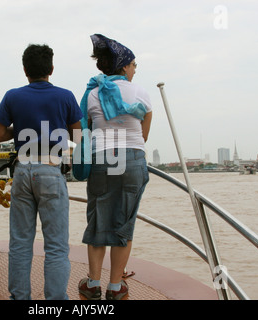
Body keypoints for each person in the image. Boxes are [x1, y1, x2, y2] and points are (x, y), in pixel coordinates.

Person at [0, 44, 82, 300]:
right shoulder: (65, 96)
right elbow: (78, 135)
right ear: (51, 69)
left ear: (25, 70)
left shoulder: (12, 96)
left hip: (22, 171)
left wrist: (18, 128)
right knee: (55, 245)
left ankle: (19, 297)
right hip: (52, 171)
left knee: (20, 243)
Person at [78, 34, 153, 300]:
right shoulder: (141, 93)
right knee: (124, 223)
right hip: (132, 158)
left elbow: (83, 131)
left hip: (102, 158)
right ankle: (115, 287)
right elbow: (143, 136)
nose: (135, 70)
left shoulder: (92, 93)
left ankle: (93, 284)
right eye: (133, 65)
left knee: (98, 222)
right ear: (123, 66)